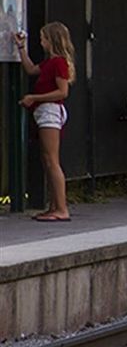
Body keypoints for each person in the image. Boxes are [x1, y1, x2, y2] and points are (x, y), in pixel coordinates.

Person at [15, 22, 75, 222]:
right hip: (44, 111)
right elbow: (31, 69)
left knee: (52, 160)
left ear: (51, 40)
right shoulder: (49, 63)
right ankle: (54, 205)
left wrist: (34, 98)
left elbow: (62, 91)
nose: (40, 42)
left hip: (50, 110)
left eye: (43, 39)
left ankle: (62, 208)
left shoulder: (59, 62)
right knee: (46, 160)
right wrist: (21, 48)